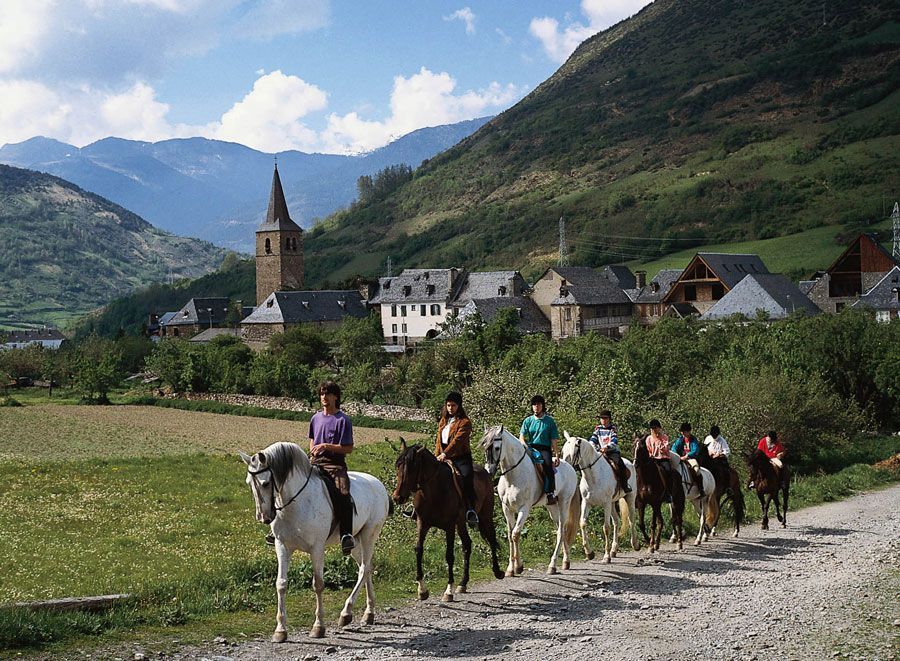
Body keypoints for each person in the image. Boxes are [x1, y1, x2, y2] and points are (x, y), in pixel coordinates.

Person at [308, 380, 356, 555]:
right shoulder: (315, 418)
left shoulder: (343, 420)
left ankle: (346, 535)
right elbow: (312, 439)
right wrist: (313, 449)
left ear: (336, 396)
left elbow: (348, 448)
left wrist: (326, 446)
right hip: (315, 462)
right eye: (321, 394)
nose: (324, 397)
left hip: (335, 465)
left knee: (343, 493)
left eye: (327, 394)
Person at [435, 391, 479, 528]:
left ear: (459, 406)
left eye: (453, 405)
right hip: (442, 456)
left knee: (466, 476)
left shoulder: (465, 422)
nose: (450, 408)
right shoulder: (443, 421)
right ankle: (419, 508)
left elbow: (457, 442)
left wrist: (445, 454)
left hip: (461, 458)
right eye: (448, 405)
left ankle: (471, 510)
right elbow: (438, 440)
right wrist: (436, 456)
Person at [519, 394, 560, 504]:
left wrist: (556, 455)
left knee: (547, 465)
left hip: (544, 448)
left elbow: (553, 440)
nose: (536, 407)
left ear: (542, 406)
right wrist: (524, 445)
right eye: (534, 405)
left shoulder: (549, 421)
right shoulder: (528, 421)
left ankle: (550, 492)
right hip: (531, 447)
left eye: (538, 404)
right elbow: (522, 436)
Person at [589, 409, 631, 493]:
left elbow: (614, 441)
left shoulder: (613, 428)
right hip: (600, 452)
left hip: (612, 451)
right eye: (602, 418)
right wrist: (593, 446)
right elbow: (592, 440)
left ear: (609, 419)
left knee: (620, 464)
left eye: (605, 418)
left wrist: (607, 447)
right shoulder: (598, 429)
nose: (603, 420)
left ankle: (624, 485)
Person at [671, 422, 705, 497]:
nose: (682, 433)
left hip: (690, 459)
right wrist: (677, 456)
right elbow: (674, 448)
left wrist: (687, 456)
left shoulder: (693, 440)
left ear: (689, 431)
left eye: (684, 431)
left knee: (696, 469)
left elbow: (695, 450)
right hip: (680, 459)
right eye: (682, 431)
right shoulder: (679, 440)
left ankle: (701, 489)